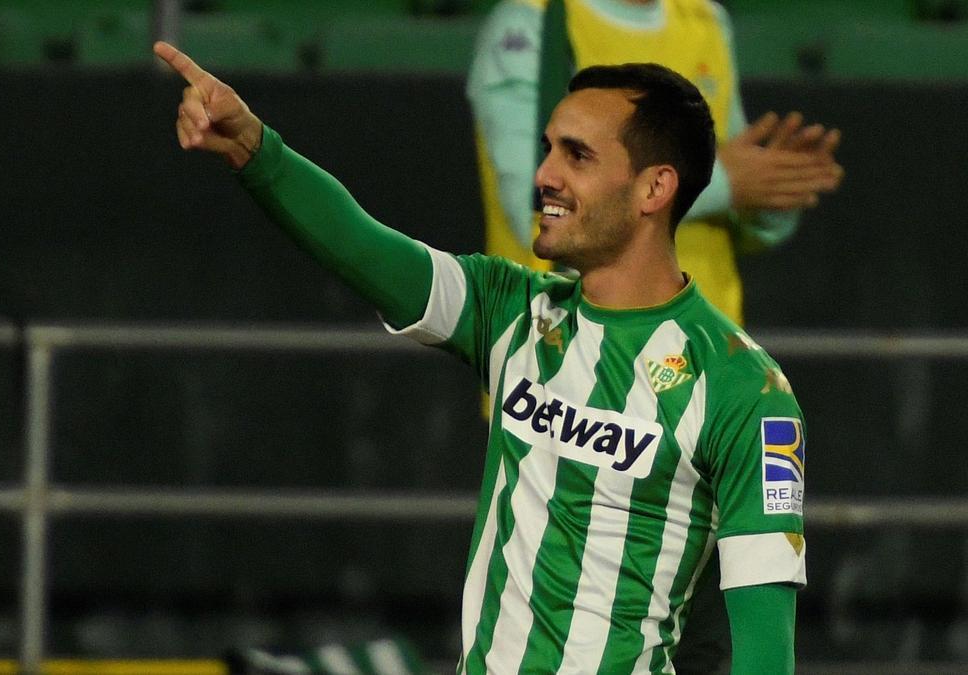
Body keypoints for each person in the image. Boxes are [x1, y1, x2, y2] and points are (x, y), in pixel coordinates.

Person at [155, 40, 806, 675]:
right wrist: (253, 148)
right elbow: (361, 245)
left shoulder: (745, 390)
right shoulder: (513, 310)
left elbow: (763, 646)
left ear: (653, 188)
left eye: (576, 155)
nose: (544, 173)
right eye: (548, 147)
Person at [467, 0, 843, 325]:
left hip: (703, 359)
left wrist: (770, 191)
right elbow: (535, 207)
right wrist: (726, 182)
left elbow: (725, 211)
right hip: (562, 363)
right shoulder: (532, 23)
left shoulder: (704, 20)